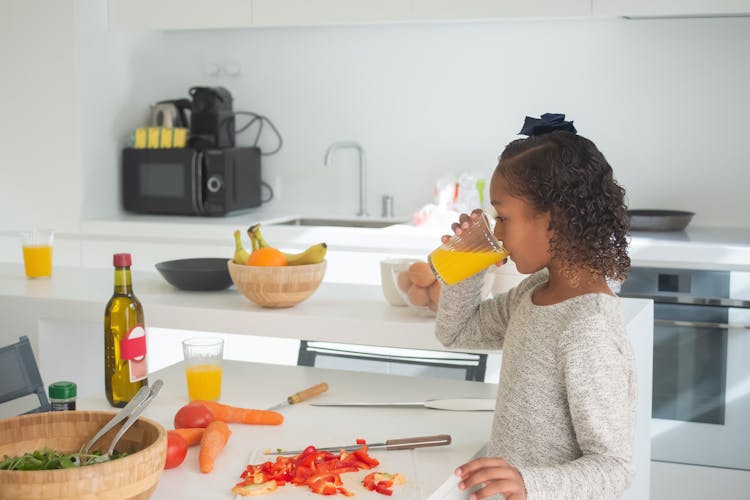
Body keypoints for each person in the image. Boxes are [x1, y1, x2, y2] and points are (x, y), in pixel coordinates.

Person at [435, 114, 635, 500]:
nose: (496, 231)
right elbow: (456, 331)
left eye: (503, 217)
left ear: (554, 221)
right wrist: (468, 259)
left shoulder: (588, 329)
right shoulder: (535, 291)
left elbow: (613, 466)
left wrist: (530, 483)